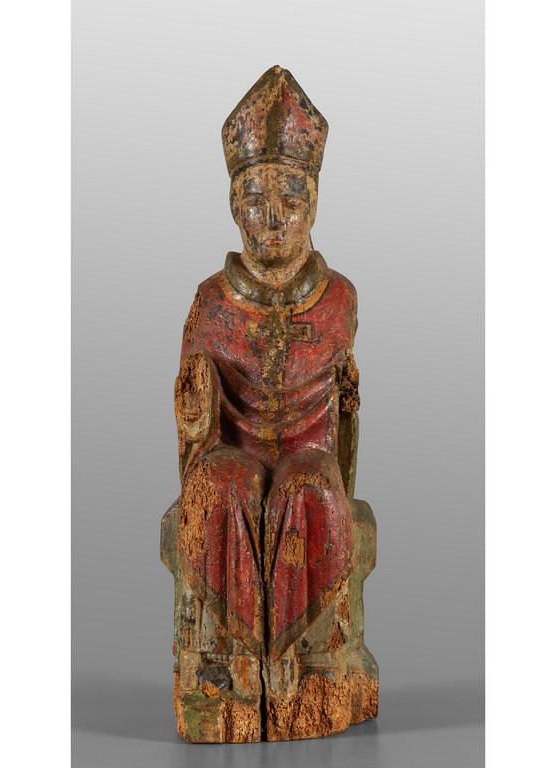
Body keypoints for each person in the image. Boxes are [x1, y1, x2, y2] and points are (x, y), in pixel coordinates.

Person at [165, 66, 377, 742]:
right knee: (222, 483)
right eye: (254, 197)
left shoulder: (338, 298)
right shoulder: (212, 300)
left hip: (308, 454)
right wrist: (194, 404)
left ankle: (305, 670)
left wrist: (347, 401)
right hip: (234, 450)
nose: (274, 216)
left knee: (308, 485)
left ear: (313, 200)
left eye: (291, 195)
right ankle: (231, 670)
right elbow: (195, 417)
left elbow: (339, 413)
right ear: (234, 204)